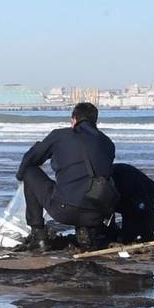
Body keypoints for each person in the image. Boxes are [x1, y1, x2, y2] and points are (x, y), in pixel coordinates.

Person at [16, 101, 116, 249]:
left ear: (73, 120)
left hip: (64, 210)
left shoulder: (60, 135)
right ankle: (85, 232)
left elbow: (31, 159)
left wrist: (20, 177)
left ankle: (38, 236)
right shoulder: (107, 143)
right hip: (96, 214)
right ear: (95, 121)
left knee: (29, 172)